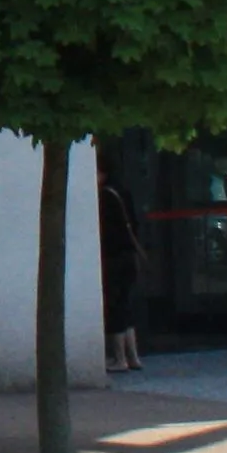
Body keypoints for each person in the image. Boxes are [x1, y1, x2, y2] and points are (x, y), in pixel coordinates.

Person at [98, 158, 148, 374]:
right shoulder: (123, 192)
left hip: (113, 256)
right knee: (126, 306)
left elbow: (108, 231)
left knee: (115, 307)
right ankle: (133, 356)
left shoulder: (105, 196)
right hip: (129, 255)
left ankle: (120, 358)